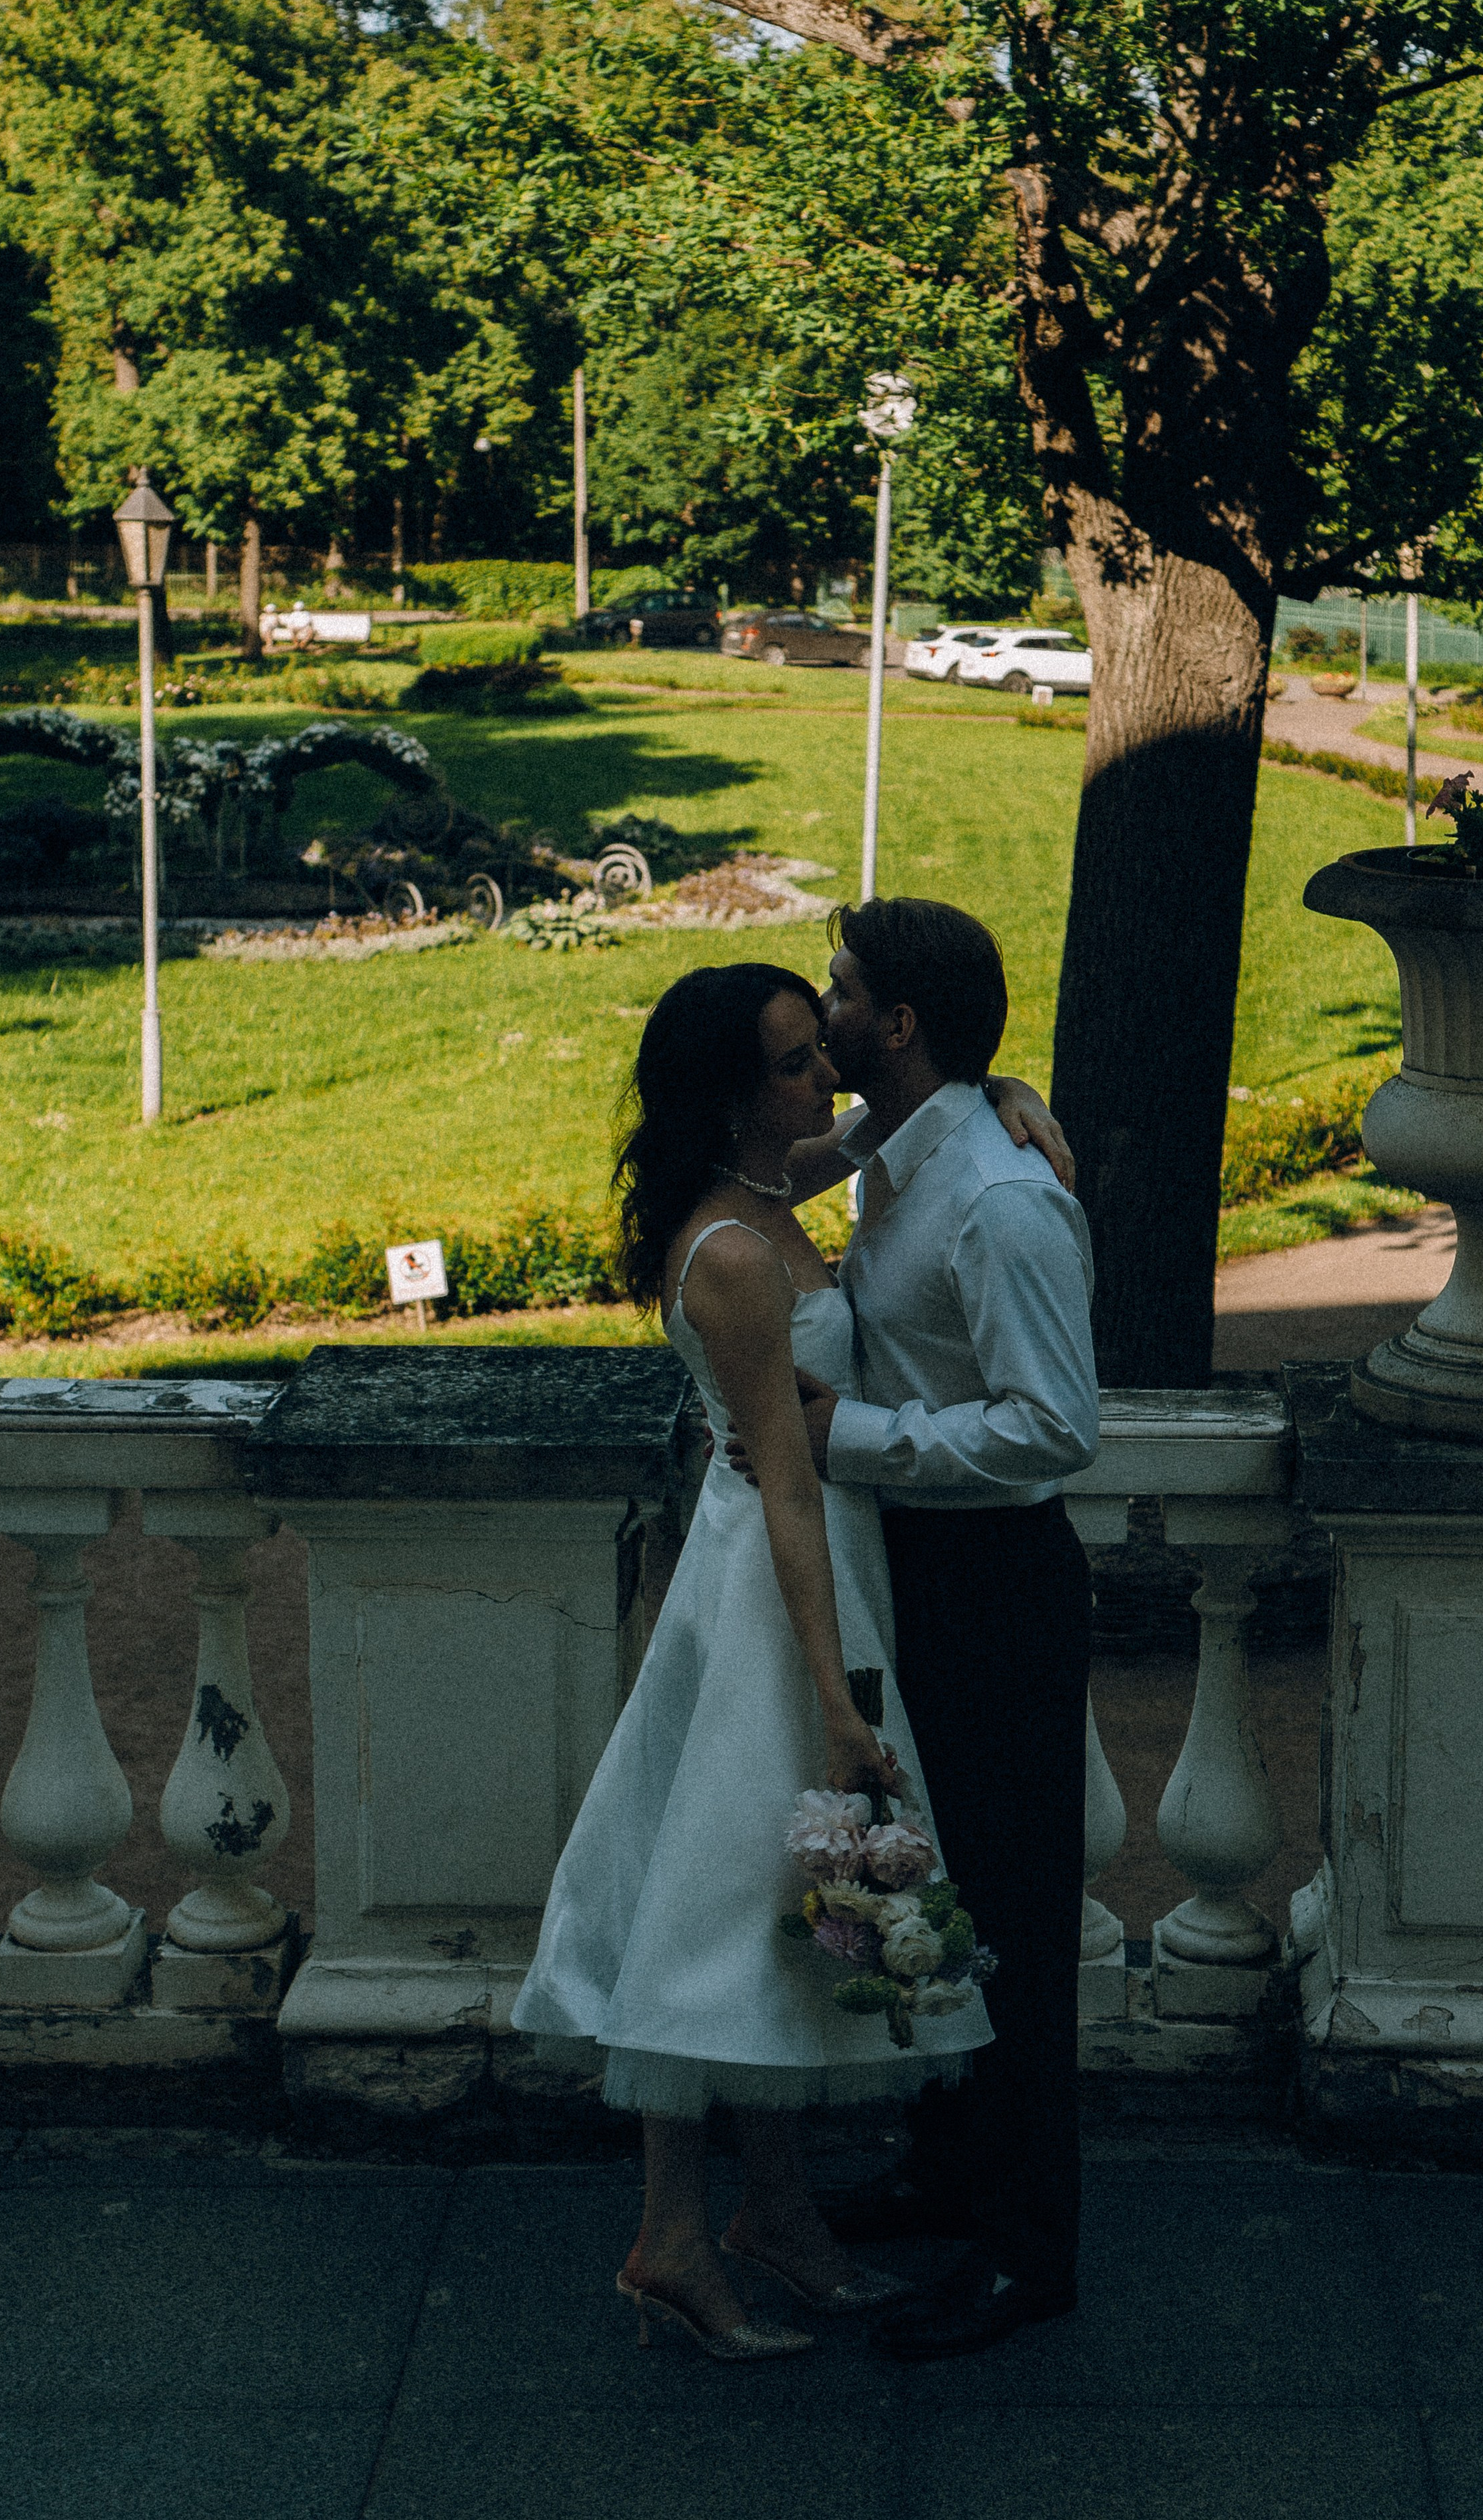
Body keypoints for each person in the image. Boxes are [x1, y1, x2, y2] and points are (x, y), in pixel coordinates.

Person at [511, 961, 998, 2362]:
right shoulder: (732, 1252)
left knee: (784, 1901)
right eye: (795, 1063)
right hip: (775, 1599)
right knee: (719, 1906)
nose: (828, 1076)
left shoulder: (774, 1186)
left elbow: (890, 1127)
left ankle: (774, 2215)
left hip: (813, 1570)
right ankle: (670, 2239)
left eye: (817, 1050)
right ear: (732, 1095)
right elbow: (786, 1483)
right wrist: (834, 1699)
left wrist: (1007, 1095)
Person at [767, 895, 1100, 2364]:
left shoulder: (1000, 1200)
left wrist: (846, 1438)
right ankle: (948, 2169)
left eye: (839, 990)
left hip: (992, 1585)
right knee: (924, 1886)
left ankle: (1028, 2251)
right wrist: (998, 1079)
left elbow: (1055, 1428)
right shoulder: (893, 1147)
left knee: (1011, 1917)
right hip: (908, 1570)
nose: (821, 1006)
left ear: (896, 1024)